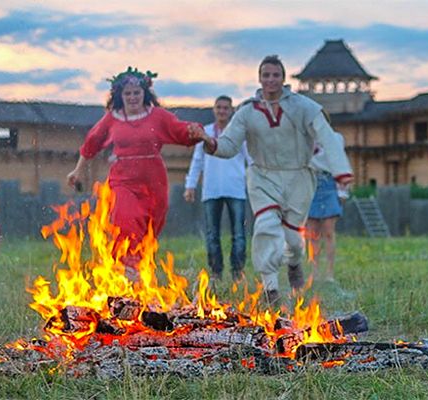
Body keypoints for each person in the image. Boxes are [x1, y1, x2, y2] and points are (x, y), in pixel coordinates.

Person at [189, 55, 353, 306]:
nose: (270, 80)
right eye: (266, 75)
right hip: (263, 176)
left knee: (293, 241)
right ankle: (271, 289)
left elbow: (327, 136)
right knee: (265, 226)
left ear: (283, 78)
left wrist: (341, 171)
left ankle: (295, 263)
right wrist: (209, 142)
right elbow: (229, 144)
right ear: (259, 78)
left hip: (298, 177)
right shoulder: (247, 112)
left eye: (275, 75)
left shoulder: (303, 107)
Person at [66, 67, 203, 273]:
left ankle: (140, 270)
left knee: (149, 229)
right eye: (127, 93)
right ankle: (128, 270)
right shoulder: (113, 118)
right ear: (120, 96)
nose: (132, 97)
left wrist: (194, 131)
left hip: (153, 179)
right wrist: (77, 171)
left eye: (136, 93)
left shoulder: (157, 116)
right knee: (126, 220)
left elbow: (179, 129)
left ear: (145, 93)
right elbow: (92, 142)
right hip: (123, 179)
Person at [183, 95, 251, 283]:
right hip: (211, 189)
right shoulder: (205, 132)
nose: (222, 111)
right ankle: (216, 273)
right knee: (212, 234)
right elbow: (198, 160)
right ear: (214, 109)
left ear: (231, 111)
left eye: (225, 108)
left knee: (238, 233)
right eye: (219, 107)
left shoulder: (238, 131)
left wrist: (258, 183)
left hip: (236, 188)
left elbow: (250, 159)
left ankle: (238, 273)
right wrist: (190, 185)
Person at [307, 133, 352, 281]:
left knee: (328, 232)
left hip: (329, 183)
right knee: (312, 234)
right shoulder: (305, 137)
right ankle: (315, 272)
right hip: (311, 183)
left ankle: (329, 274)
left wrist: (342, 191)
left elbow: (341, 162)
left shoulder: (335, 138)